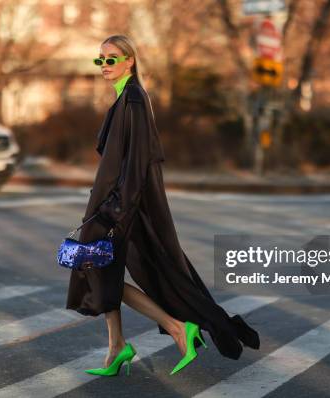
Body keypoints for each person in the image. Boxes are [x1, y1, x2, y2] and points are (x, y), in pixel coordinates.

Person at [65, 34, 260, 377]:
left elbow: (138, 161)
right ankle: (117, 347)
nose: (104, 66)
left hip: (120, 206)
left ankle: (175, 327)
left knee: (96, 269)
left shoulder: (135, 99)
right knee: (100, 268)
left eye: (111, 59)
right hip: (111, 202)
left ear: (130, 61)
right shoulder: (124, 98)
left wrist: (117, 208)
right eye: (100, 60)